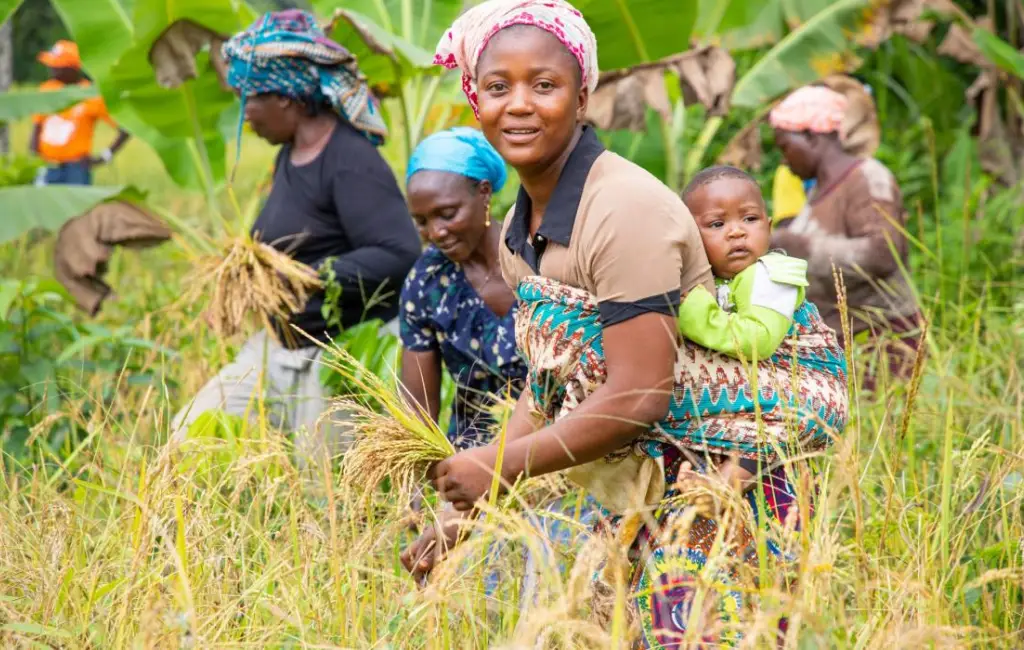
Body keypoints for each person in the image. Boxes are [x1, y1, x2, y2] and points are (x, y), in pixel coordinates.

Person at [402, 2, 809, 645]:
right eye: (497, 87)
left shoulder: (621, 207)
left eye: (545, 85)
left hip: (718, 483)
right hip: (628, 491)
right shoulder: (516, 231)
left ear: (583, 94)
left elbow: (642, 392)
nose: (519, 105)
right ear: (473, 100)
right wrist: (468, 512)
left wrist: (502, 466)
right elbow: (550, 386)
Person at [169, 10, 421, 465]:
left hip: (335, 352)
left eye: (248, 100)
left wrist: (306, 276)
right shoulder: (290, 154)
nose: (244, 116)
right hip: (278, 345)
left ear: (286, 98)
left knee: (323, 487)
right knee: (192, 432)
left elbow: (401, 254)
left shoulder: (349, 159)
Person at [675, 165, 847, 501]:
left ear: (769, 228)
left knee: (776, 429)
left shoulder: (770, 275)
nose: (736, 232)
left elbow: (757, 340)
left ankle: (726, 485)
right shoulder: (719, 284)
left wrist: (688, 308)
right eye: (717, 224)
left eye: (749, 219)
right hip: (772, 403)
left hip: (811, 390)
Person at [769, 85, 923, 389]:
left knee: (881, 429)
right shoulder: (816, 192)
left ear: (812, 136)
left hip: (883, 339)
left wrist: (798, 246)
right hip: (845, 343)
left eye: (786, 147)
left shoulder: (868, 177)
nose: (785, 161)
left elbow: (883, 252)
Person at [399, 127, 526, 451]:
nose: (436, 232)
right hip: (473, 463)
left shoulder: (539, 259)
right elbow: (418, 411)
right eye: (422, 221)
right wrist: (414, 492)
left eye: (447, 214)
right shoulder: (426, 283)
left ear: (483, 192)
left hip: (558, 453)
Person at [30, 40, 130, 185]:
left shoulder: (90, 95)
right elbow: (37, 127)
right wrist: (32, 161)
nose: (52, 70)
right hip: (47, 166)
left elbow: (126, 128)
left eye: (58, 67)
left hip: (76, 169)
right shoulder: (47, 90)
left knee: (76, 208)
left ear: (72, 69)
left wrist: (105, 156)